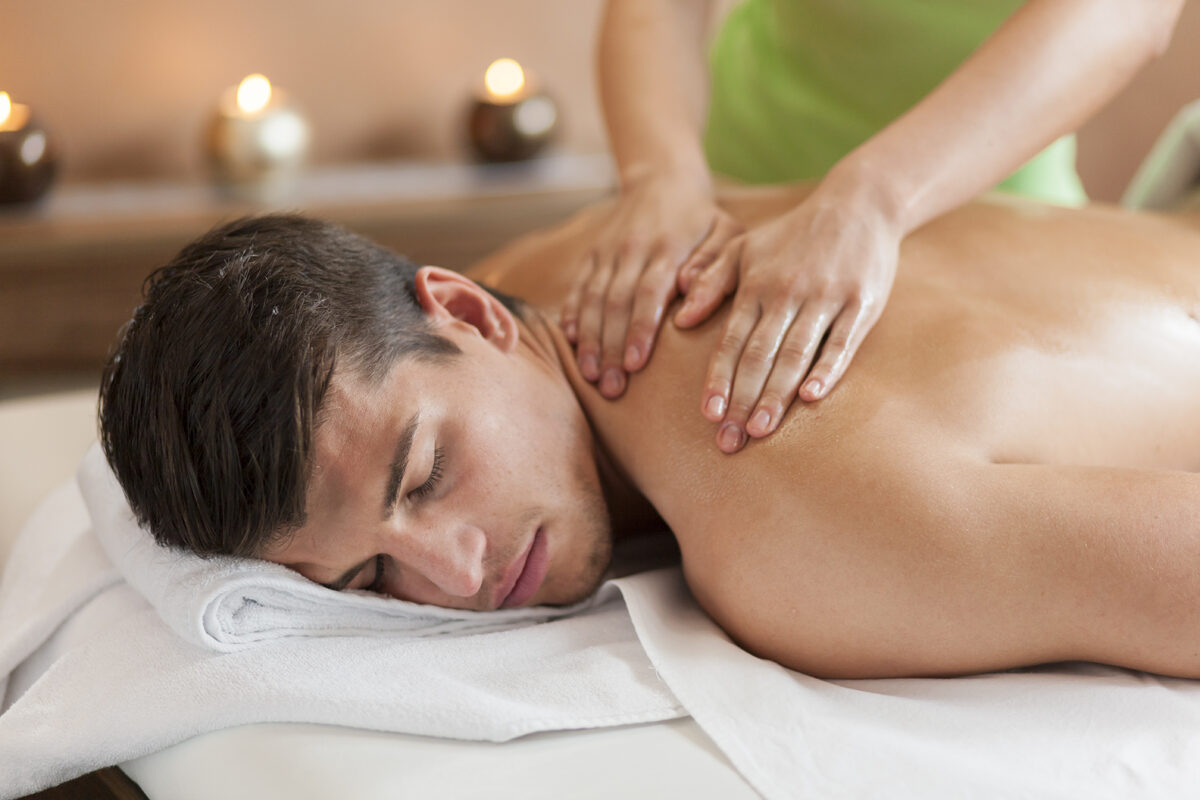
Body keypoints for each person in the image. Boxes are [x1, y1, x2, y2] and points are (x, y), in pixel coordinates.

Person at [98, 186, 1200, 680]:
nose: (456, 575)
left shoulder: (796, 532)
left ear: (469, 311)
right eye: (369, 578)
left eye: (427, 475)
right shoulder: (560, 261)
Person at [563, 0, 1183, 455]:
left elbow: (1124, 12)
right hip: (725, 196)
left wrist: (876, 196)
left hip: (993, 207)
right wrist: (658, 177)